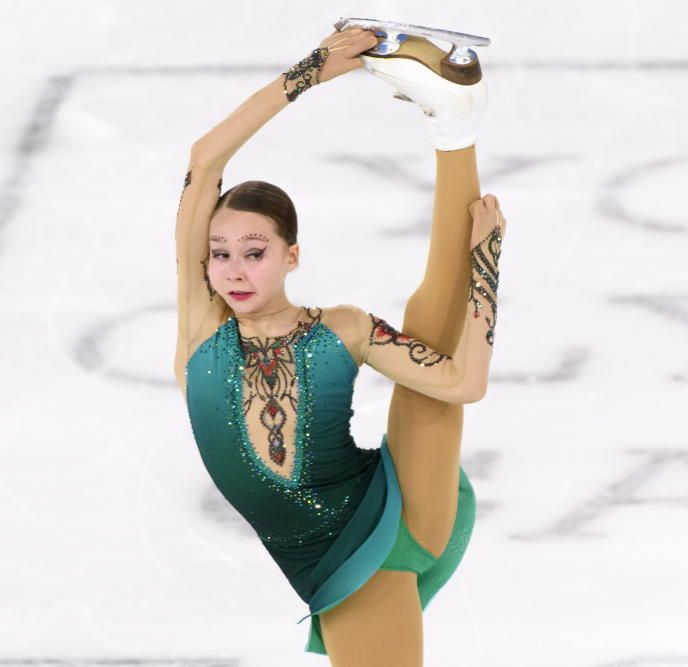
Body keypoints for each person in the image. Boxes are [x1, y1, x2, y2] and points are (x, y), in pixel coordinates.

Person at [173, 23, 505, 665]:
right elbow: (204, 159)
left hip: (387, 529)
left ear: (291, 255)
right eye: (219, 254)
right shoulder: (200, 328)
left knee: (430, 316)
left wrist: (484, 266)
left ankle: (454, 125)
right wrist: (313, 70)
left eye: (254, 252)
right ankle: (455, 120)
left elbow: (464, 383)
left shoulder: (343, 328)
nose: (233, 270)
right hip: (339, 561)